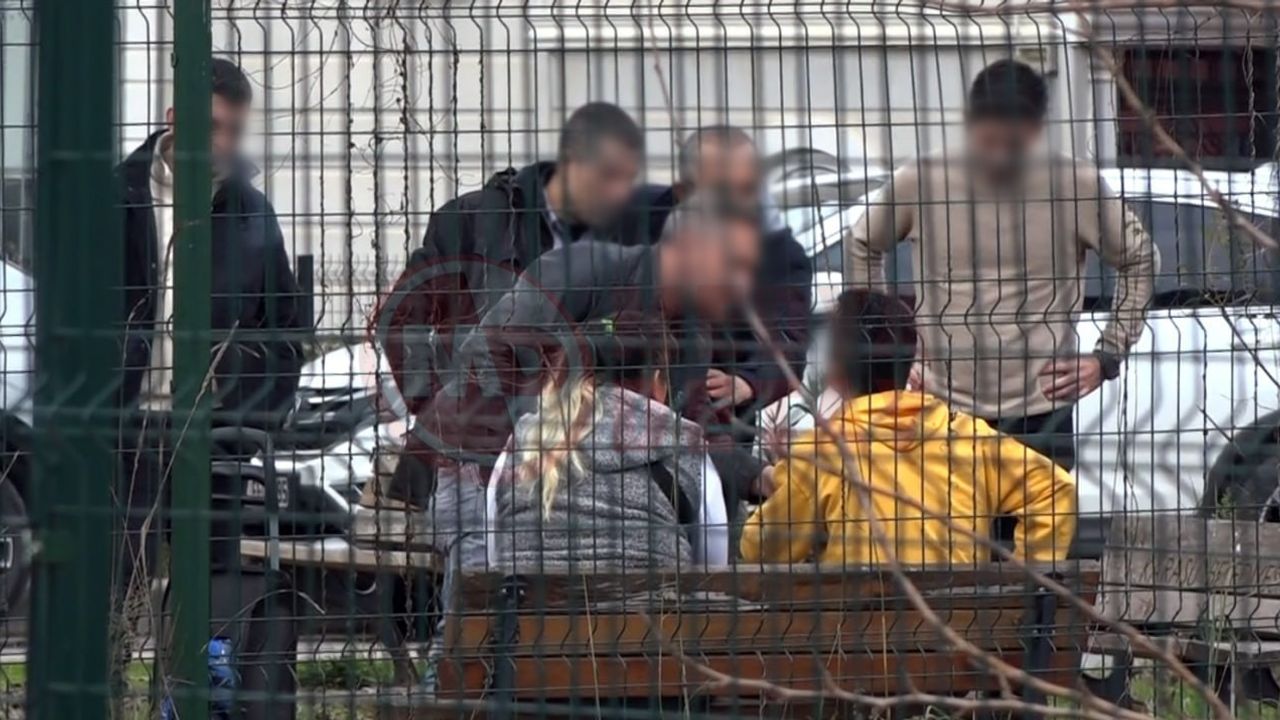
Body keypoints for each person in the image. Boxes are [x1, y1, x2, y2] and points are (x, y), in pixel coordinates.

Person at [846, 59, 1157, 470]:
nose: (997, 157)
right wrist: (891, 350)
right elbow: (862, 242)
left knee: (1042, 515)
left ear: (1037, 131)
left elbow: (1140, 257)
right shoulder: (923, 179)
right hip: (942, 410)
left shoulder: (1075, 185)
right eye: (987, 141)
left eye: (1012, 145)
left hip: (1041, 414)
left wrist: (1107, 358)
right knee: (943, 516)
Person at [740, 290, 1077, 566]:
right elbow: (1055, 489)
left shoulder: (824, 452)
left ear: (837, 371)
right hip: (960, 623)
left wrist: (788, 483)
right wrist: (1024, 583)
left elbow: (760, 550)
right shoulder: (968, 436)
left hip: (856, 627)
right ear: (908, 363)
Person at [380, 101, 645, 420]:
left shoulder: (627, 242)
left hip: (583, 429)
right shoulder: (475, 220)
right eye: (609, 176)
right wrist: (434, 408)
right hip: (486, 428)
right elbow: (403, 315)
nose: (620, 193)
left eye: (628, 180)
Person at [486, 312, 730, 569]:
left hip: (529, 595)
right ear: (657, 379)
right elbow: (713, 565)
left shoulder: (526, 439)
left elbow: (493, 549)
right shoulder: (684, 444)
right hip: (652, 596)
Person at [625, 126, 812, 423]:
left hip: (717, 420)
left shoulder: (780, 256)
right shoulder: (638, 219)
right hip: (625, 405)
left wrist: (749, 381)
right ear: (683, 191)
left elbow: (789, 342)